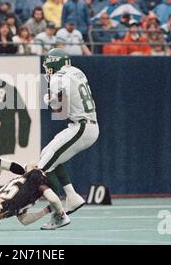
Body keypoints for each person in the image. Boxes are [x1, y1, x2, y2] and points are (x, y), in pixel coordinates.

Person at [40, 48, 99, 219]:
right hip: (83, 125)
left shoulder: (58, 77)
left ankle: (58, 214)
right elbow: (65, 110)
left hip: (82, 127)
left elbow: (58, 110)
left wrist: (48, 99)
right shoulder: (76, 71)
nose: (47, 72)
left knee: (43, 167)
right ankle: (72, 197)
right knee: (48, 155)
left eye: (48, 68)